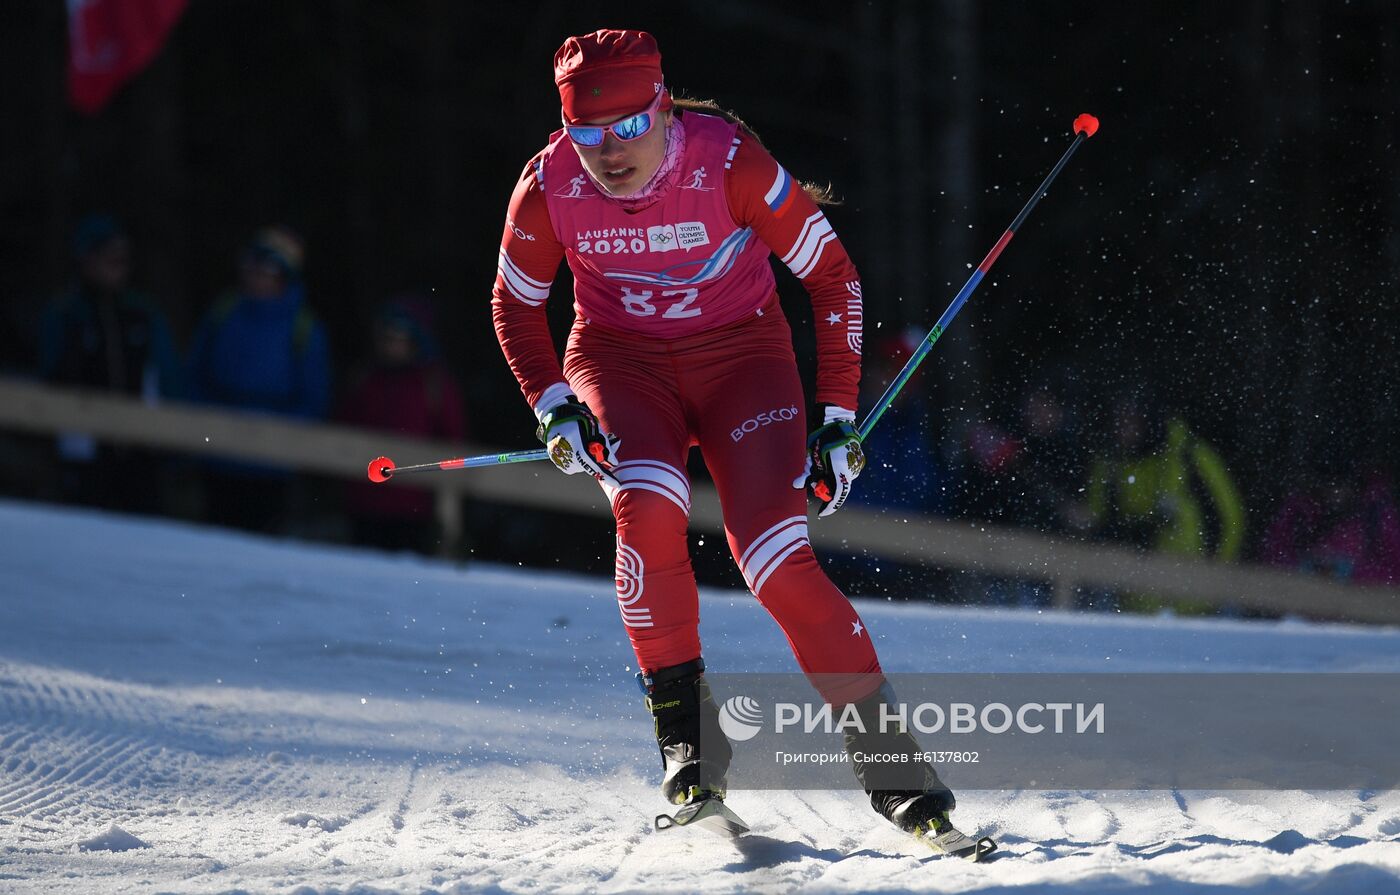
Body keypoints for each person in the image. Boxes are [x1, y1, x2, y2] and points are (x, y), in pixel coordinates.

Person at [489, 29, 968, 847]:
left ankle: (896, 772)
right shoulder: (548, 186)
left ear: (664, 110)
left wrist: (839, 417)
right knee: (647, 509)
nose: (609, 153)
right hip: (620, 361)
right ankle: (690, 752)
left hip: (744, 361)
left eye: (629, 128)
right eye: (587, 134)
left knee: (776, 557)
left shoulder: (731, 163)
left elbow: (833, 279)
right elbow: (514, 305)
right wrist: (554, 402)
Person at [188, 225, 331, 532]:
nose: (256, 276)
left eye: (267, 269)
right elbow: (196, 374)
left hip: (273, 467)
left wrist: (277, 435)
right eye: (252, 266)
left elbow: (313, 399)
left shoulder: (304, 329)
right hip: (218, 457)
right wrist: (209, 425)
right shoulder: (223, 313)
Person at [37, 213, 182, 513]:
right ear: (86, 259)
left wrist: (167, 442)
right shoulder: (65, 315)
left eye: (122, 256)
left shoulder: (142, 314)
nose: (116, 263)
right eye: (107, 255)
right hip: (83, 454)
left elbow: (167, 380)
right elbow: (49, 380)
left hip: (140, 454)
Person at [1083, 390, 1245, 613]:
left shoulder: (1188, 454)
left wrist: (1216, 574)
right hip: (1135, 602)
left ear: (1147, 419)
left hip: (1193, 601)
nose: (1123, 429)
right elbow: (1095, 521)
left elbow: (1230, 517)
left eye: (1131, 420)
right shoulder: (1110, 464)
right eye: (1118, 421)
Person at [339, 295, 467, 553]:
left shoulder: (434, 385)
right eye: (387, 337)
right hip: (364, 502)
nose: (392, 345)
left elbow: (454, 439)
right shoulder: (365, 378)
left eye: (400, 338)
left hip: (413, 507)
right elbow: (343, 429)